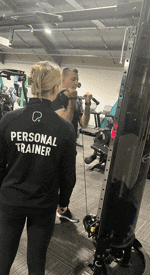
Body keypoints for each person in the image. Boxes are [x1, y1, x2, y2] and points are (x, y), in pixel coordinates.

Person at [0, 61, 76, 275]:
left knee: (3, 260)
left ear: (31, 85)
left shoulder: (9, 119)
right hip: (43, 205)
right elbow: (69, 174)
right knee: (36, 266)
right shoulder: (65, 128)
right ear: (57, 87)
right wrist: (64, 202)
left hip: (10, 201)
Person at [52, 67, 92, 223]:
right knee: (53, 179)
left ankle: (62, 208)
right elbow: (65, 123)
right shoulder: (57, 97)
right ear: (63, 80)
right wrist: (72, 100)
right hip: (55, 145)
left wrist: (87, 104)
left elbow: (84, 124)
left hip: (70, 145)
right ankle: (51, 209)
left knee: (69, 180)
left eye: (77, 79)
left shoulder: (75, 100)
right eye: (73, 79)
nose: (76, 82)